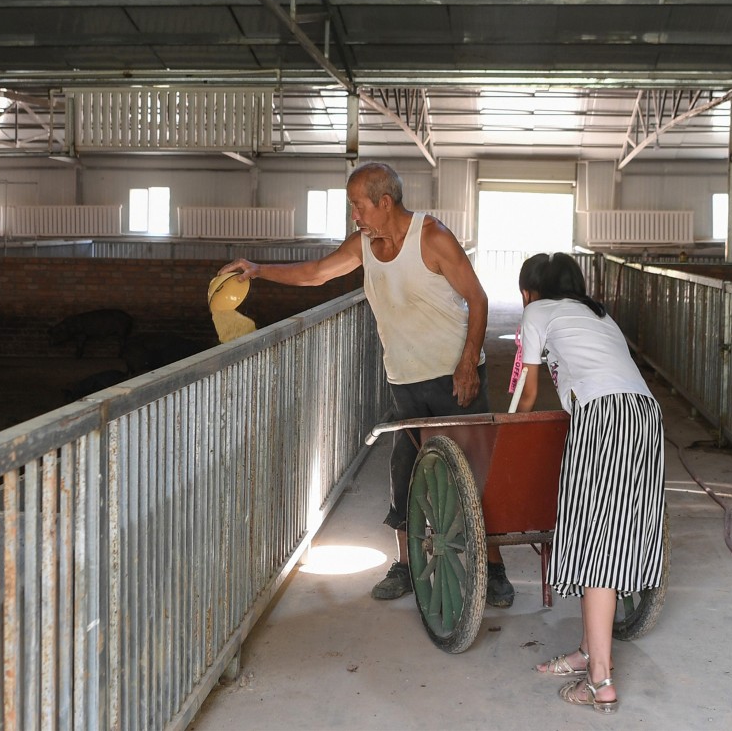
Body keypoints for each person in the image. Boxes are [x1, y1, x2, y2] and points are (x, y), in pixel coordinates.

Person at [216, 162, 514, 607]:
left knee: (475, 469)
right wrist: (258, 270)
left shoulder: (432, 237)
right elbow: (317, 273)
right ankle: (408, 565)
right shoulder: (364, 245)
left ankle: (492, 568)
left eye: (359, 205)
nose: (355, 215)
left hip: (456, 377)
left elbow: (478, 297)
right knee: (404, 471)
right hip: (405, 380)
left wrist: (469, 361)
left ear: (385, 202)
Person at [515, 253, 665, 715]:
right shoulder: (600, 315)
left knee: (596, 544)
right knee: (613, 533)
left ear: (530, 290)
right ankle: (585, 650)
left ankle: (600, 680)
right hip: (645, 416)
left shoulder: (537, 311)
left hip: (603, 418)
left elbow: (529, 388)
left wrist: (511, 432)